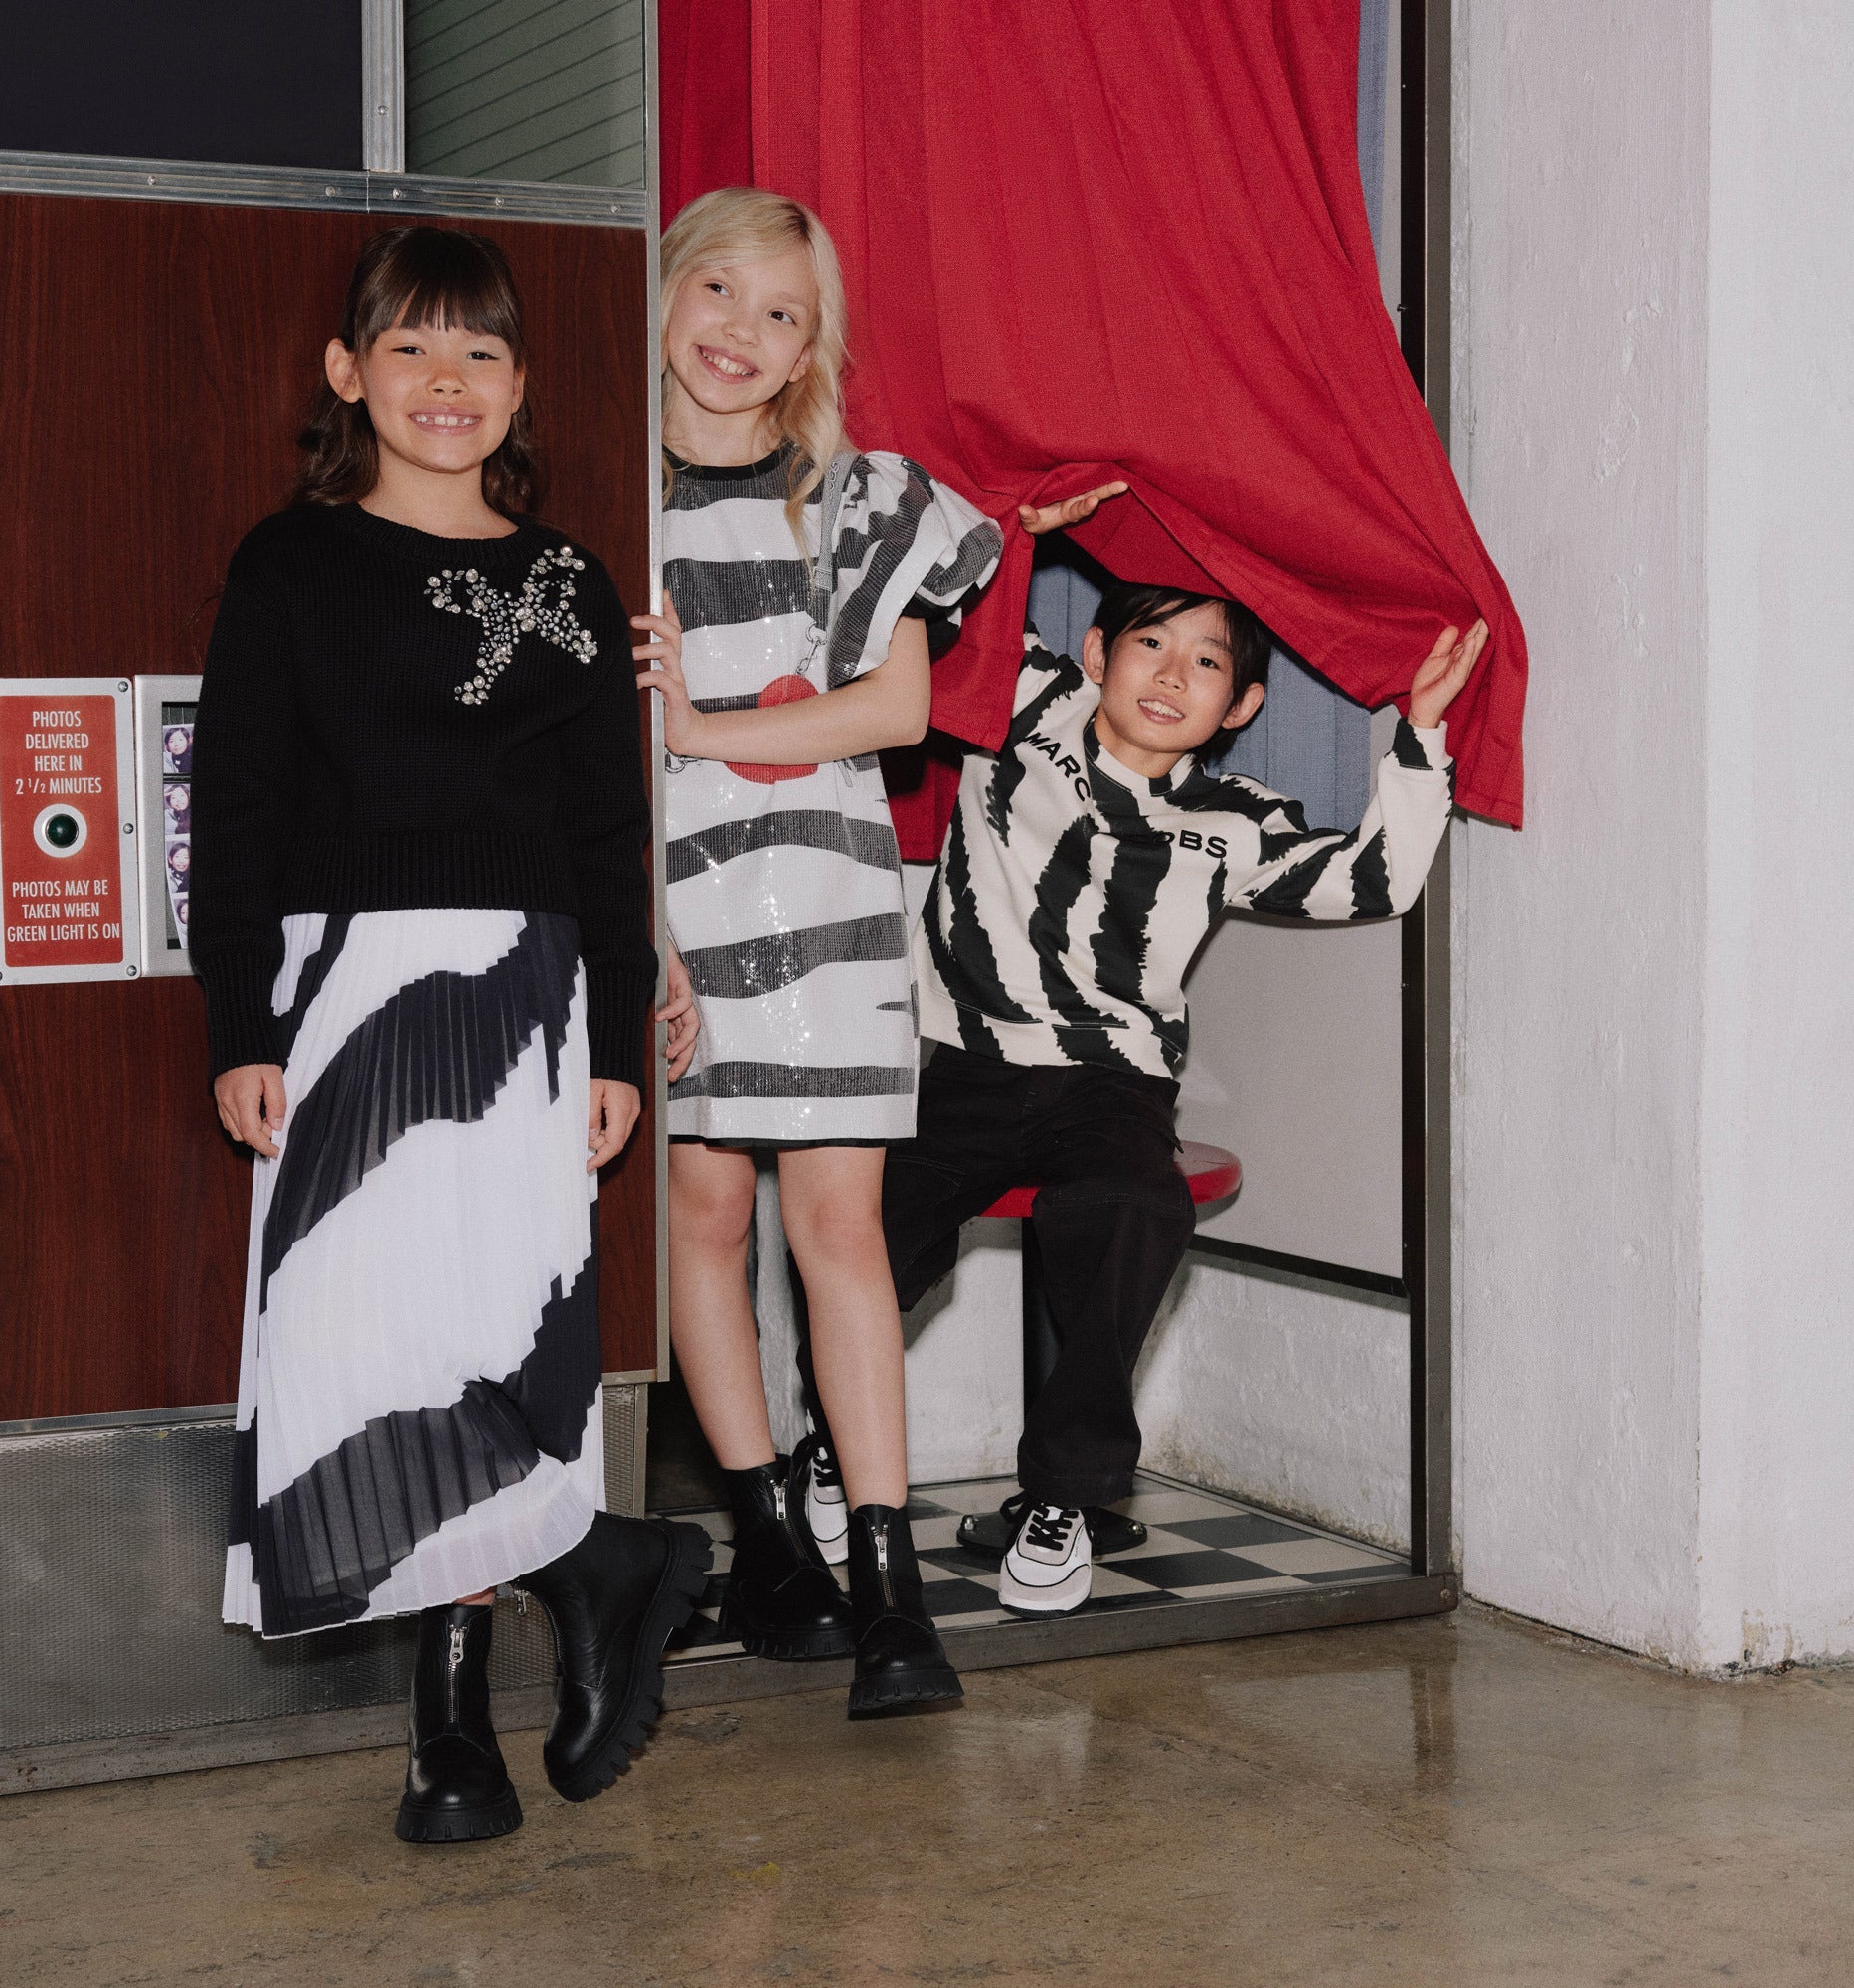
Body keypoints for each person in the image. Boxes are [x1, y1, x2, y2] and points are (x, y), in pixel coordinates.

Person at [189, 225, 707, 1845]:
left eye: (480, 350)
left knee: (486, 1340)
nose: (444, 379)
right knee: (358, 1345)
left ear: (521, 385)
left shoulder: (567, 583)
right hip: (339, 988)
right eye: (409, 346)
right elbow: (238, 811)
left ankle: (456, 1719)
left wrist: (611, 1040)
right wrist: (240, 1021)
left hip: (522, 999)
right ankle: (597, 1564)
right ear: (347, 373)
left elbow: (605, 836)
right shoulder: (289, 564)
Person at [800, 484, 1487, 1616]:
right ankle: (835, 1439)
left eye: (1206, 663)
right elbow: (939, 605)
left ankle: (1062, 1496)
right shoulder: (1022, 703)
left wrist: (1419, 734)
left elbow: (1375, 879)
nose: (1171, 675)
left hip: (1111, 1083)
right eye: (1150, 644)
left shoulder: (1236, 820)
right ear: (1097, 653)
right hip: (959, 1059)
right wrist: (1019, 530)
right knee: (864, 1220)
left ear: (1240, 703)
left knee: (1133, 1204)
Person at [632, 188, 1001, 1716]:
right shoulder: (601, 501)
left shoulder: (860, 501)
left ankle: (893, 1589)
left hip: (833, 900)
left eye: (782, 314)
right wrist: (643, 941)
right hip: (672, 906)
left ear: (809, 355)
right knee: (705, 1211)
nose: (742, 332)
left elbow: (895, 712)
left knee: (839, 1227)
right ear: (663, 292)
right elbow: (585, 758)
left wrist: (705, 724)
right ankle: (770, 1537)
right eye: (720, 290)